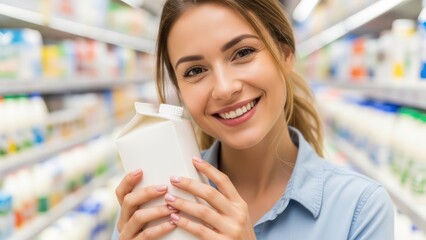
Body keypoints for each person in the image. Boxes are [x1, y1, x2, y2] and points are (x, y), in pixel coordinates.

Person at [113, 0, 394, 239]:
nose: (224, 88)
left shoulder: (360, 208)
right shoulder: (155, 203)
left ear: (285, 54)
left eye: (243, 53)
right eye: (195, 70)